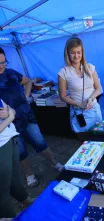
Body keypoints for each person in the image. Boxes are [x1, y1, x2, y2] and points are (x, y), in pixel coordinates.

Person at [0, 47, 63, 187]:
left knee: (40, 142)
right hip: (9, 124)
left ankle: (54, 163)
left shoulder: (11, 73)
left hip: (26, 116)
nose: (2, 66)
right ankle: (29, 174)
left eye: (4, 62)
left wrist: (26, 97)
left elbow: (28, 81)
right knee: (21, 151)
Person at [58, 37, 102, 134]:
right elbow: (63, 96)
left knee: (100, 139)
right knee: (85, 143)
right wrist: (79, 104)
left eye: (79, 52)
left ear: (82, 52)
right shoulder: (63, 72)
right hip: (78, 112)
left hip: (94, 110)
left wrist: (90, 98)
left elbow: (98, 88)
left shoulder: (90, 67)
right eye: (72, 52)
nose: (76, 55)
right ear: (67, 54)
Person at [0, 99, 34, 218]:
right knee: (2, 190)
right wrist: (10, 117)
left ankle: (25, 201)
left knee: (14, 177)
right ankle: (9, 217)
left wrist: (8, 113)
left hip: (10, 140)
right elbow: (12, 115)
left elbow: (12, 110)